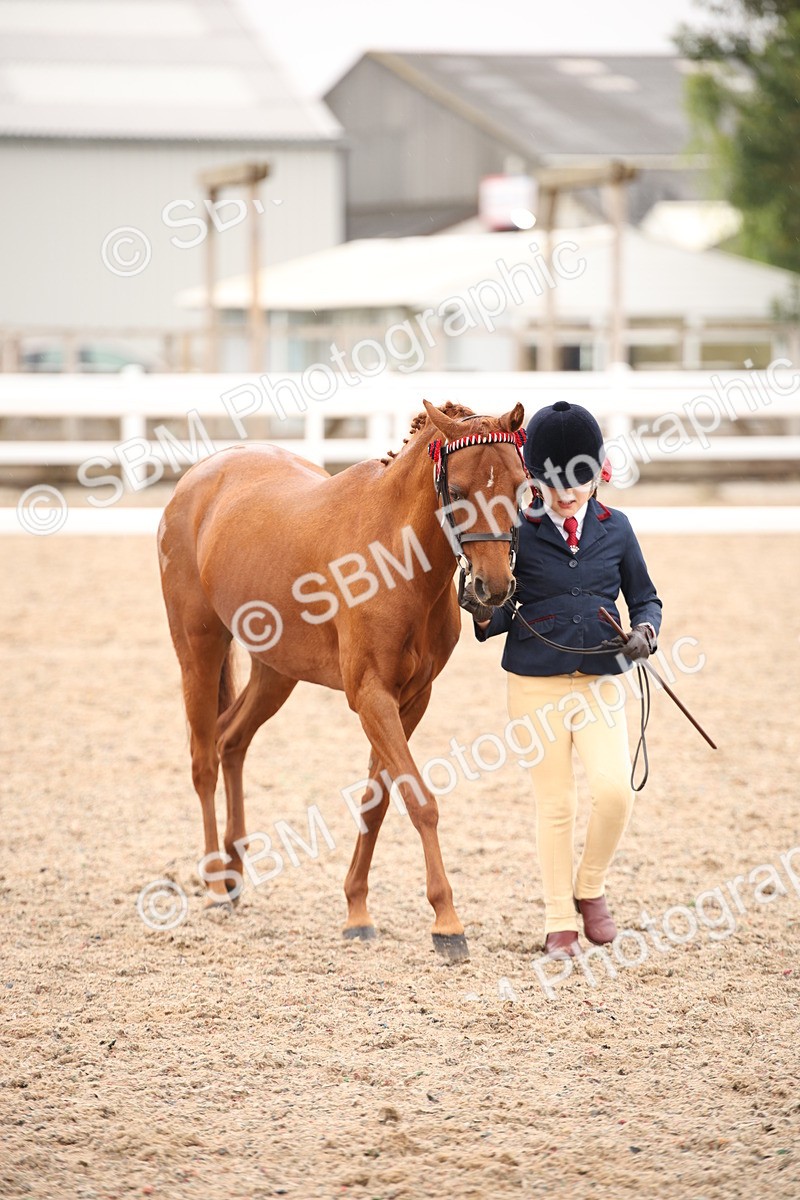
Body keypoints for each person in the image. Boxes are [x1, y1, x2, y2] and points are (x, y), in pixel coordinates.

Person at [460, 401, 662, 958]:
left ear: (599, 473)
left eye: (579, 480)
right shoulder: (517, 535)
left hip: (601, 679)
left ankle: (589, 887)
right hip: (535, 683)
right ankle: (558, 924)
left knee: (615, 793)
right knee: (556, 805)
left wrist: (645, 630)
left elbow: (644, 597)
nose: (567, 495)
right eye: (552, 483)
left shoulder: (616, 529)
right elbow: (499, 613)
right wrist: (480, 608)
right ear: (534, 480)